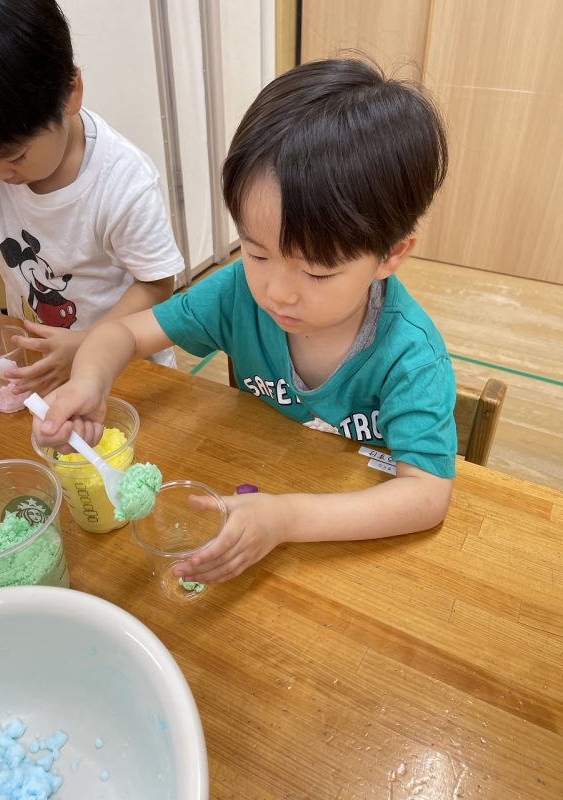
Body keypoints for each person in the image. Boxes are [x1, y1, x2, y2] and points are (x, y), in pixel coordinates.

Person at [34, 57, 458, 584]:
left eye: (318, 272)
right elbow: (122, 333)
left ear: (391, 255)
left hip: (339, 558)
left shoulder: (410, 356)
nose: (277, 291)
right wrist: (90, 381)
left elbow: (425, 495)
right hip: (251, 481)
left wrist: (287, 518)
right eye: (257, 253)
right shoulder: (237, 293)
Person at [0, 0, 184, 393]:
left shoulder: (123, 182)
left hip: (128, 371)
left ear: (71, 94)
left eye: (15, 158)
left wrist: (89, 345)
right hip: (43, 364)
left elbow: (156, 285)